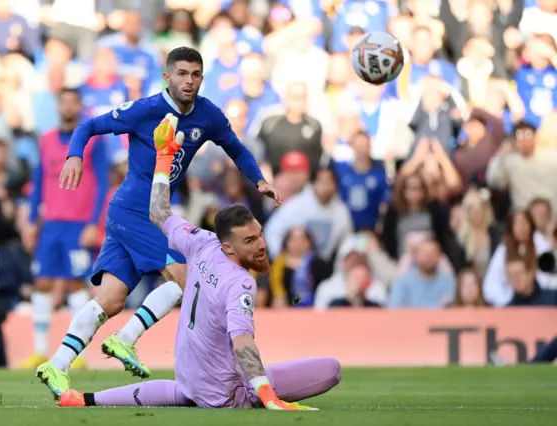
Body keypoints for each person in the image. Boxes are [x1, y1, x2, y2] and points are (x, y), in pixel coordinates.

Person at [36, 47, 280, 397]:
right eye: (182, 74)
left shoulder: (208, 115)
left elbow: (236, 148)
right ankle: (125, 338)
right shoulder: (146, 109)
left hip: (140, 212)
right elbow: (89, 125)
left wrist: (259, 180)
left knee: (110, 299)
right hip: (138, 211)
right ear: (167, 76)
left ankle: (56, 364)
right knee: (186, 275)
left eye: (195, 74)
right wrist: (75, 155)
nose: (189, 81)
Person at [56, 113, 340, 410]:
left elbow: (159, 212)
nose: (261, 246)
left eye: (259, 235)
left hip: (190, 380)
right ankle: (253, 391)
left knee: (178, 392)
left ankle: (88, 400)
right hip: (225, 395)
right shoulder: (240, 281)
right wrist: (268, 397)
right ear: (229, 248)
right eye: (250, 241)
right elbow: (242, 342)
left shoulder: (200, 242)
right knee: (331, 368)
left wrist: (164, 160)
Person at [21, 88, 108, 370]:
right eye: (64, 101)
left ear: (80, 106)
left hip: (79, 223)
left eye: (73, 101)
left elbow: (103, 184)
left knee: (75, 284)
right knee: (42, 282)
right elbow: (38, 181)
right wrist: (32, 219)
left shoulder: (93, 141)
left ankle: (79, 355)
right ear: (58, 105)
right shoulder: (45, 140)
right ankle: (39, 351)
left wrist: (95, 223)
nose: (68, 106)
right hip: (52, 224)